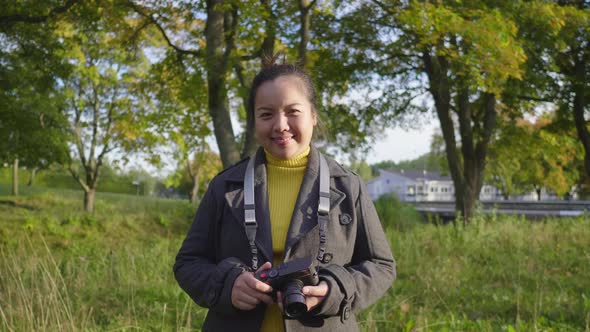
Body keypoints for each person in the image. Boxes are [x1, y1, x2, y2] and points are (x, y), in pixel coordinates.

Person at [174, 58, 396, 332]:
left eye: (293, 111)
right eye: (266, 114)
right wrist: (227, 285)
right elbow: (188, 263)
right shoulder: (225, 186)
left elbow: (381, 265)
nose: (280, 125)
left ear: (313, 115)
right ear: (254, 121)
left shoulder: (348, 186)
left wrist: (335, 289)